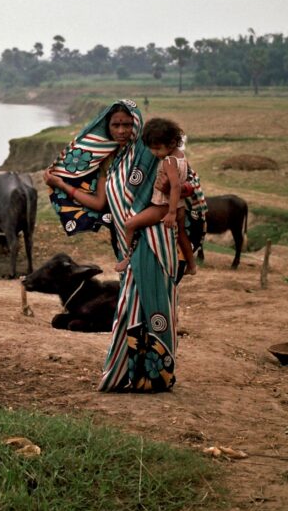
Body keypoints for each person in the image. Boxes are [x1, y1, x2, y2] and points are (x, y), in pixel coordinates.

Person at [43, 99, 180, 393]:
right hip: (125, 246)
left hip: (153, 242)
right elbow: (99, 203)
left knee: (152, 306)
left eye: (127, 124)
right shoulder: (110, 161)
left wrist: (135, 223)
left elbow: (168, 199)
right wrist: (61, 184)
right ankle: (128, 374)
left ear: (137, 124)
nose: (121, 130)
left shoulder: (149, 153)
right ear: (106, 126)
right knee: (131, 307)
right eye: (115, 124)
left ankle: (157, 376)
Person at [115, 118, 198, 276]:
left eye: (158, 149)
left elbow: (175, 186)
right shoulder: (181, 156)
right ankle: (192, 265)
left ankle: (125, 258)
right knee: (182, 235)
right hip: (180, 206)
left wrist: (171, 213)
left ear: (172, 143)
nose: (155, 153)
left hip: (163, 206)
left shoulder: (169, 161)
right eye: (152, 149)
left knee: (130, 225)